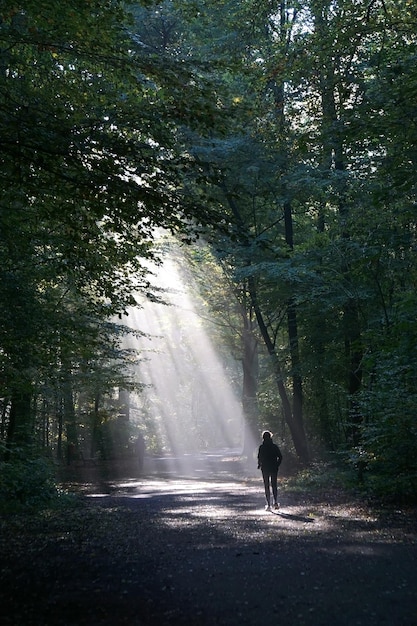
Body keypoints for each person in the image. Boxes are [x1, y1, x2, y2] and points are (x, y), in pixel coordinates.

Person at [257, 430, 283, 511]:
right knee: (274, 485)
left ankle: (268, 505)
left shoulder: (262, 447)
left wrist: (259, 464)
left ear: (263, 437)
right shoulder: (274, 446)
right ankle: (275, 502)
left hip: (265, 468)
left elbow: (259, 457)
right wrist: (277, 465)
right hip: (273, 468)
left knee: (266, 486)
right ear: (270, 437)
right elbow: (280, 457)